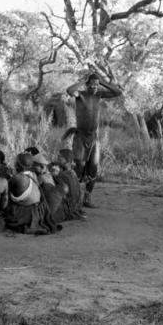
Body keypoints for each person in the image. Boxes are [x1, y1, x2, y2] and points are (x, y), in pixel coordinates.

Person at [65, 72, 122, 208]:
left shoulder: (99, 95)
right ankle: (74, 196)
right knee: (79, 164)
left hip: (93, 138)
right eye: (93, 84)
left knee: (93, 168)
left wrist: (101, 81)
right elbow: (70, 90)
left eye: (97, 85)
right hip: (80, 135)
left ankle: (87, 198)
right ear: (88, 84)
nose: (95, 87)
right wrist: (83, 81)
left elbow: (117, 92)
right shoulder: (81, 95)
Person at [56, 149, 87, 221]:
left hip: (69, 208)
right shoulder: (73, 173)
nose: (57, 158)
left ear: (66, 160)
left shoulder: (63, 176)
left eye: (59, 157)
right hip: (75, 207)